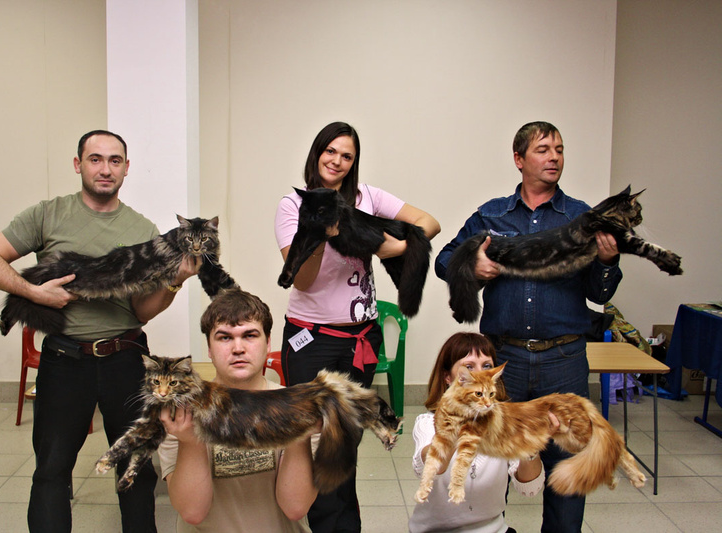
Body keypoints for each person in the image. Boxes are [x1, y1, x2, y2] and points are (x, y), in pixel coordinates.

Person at [0, 130, 198, 533]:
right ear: (78, 165)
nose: (105, 169)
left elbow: (141, 312)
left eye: (115, 160)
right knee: (52, 469)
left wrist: (175, 280)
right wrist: (35, 293)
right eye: (95, 159)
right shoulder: (48, 214)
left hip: (126, 359)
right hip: (64, 361)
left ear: (126, 169)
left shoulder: (142, 230)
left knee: (136, 469)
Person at [434, 121, 622, 533]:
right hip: (504, 364)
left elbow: (599, 293)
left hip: (564, 360)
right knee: (490, 464)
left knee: (566, 466)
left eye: (559, 149)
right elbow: (444, 260)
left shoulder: (582, 217)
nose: (554, 157)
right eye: (543, 149)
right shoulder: (492, 215)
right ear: (519, 159)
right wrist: (472, 264)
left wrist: (607, 261)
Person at [274, 121, 440, 532]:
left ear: (354, 162)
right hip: (311, 341)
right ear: (316, 153)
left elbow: (429, 222)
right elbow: (302, 280)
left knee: (345, 443)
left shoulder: (368, 197)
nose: (337, 161)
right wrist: (321, 233)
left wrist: (394, 246)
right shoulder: (293, 206)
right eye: (330, 151)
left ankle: (344, 525)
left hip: (360, 340)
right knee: (317, 440)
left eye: (346, 156)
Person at [157, 289, 317, 533]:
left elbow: (295, 507)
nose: (238, 348)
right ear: (209, 349)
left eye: (250, 335)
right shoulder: (181, 414)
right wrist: (190, 440)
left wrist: (298, 434)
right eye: (224, 338)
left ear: (268, 343)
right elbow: (192, 511)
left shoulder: (297, 409)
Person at [409, 332, 554, 533]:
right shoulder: (427, 423)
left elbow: (529, 488)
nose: (480, 375)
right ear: (448, 378)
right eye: (469, 367)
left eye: (487, 366)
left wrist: (530, 443)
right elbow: (432, 468)